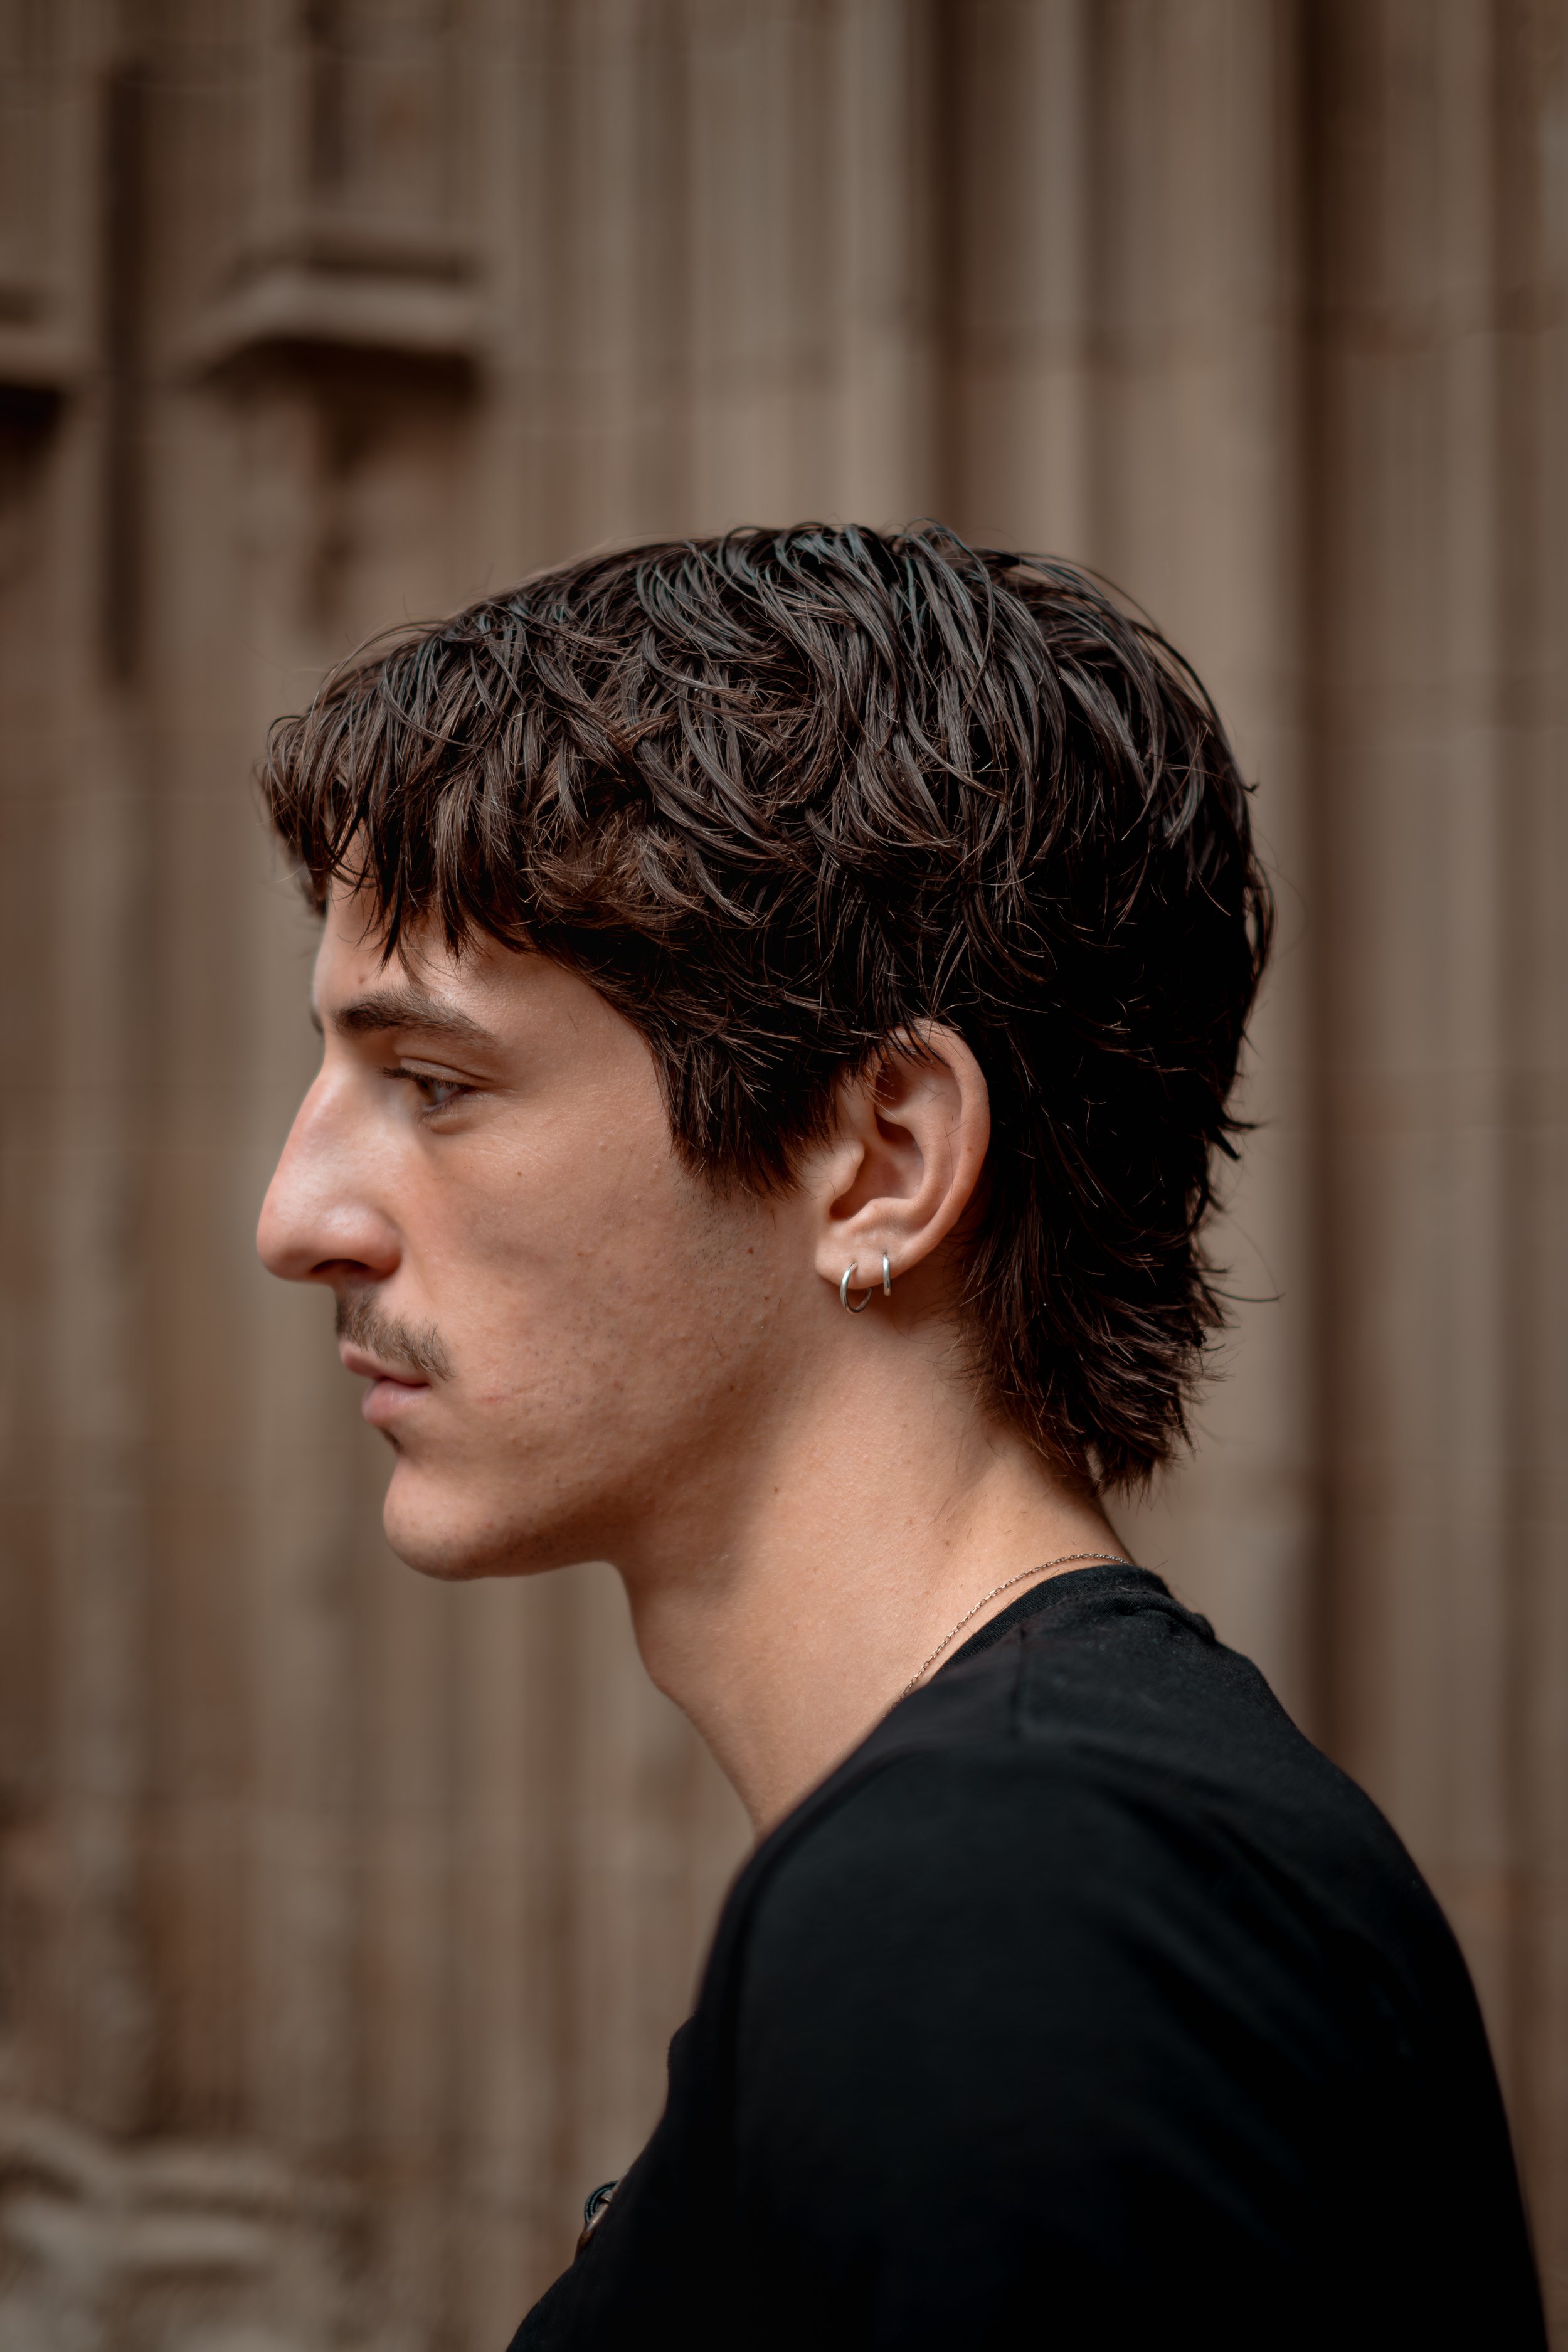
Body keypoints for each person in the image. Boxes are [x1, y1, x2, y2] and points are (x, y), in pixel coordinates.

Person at [256, 526, 1545, 2348]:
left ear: (881, 1156)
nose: (297, 1214)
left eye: (434, 1086)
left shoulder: (1017, 1914)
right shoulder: (1055, 1849)